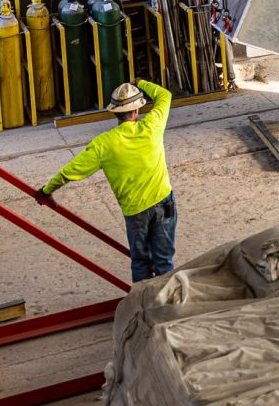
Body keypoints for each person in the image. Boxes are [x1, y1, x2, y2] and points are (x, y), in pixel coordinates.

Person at [35, 80, 177, 281]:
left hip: (135, 212)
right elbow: (165, 96)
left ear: (115, 113)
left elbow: (71, 171)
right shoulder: (152, 125)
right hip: (164, 202)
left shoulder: (104, 144)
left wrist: (47, 190)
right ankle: (168, 305)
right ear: (137, 110)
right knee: (164, 261)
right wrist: (140, 82)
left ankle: (141, 306)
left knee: (140, 262)